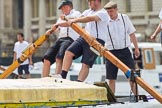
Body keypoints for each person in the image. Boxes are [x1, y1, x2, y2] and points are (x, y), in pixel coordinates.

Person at [57, 0, 109, 82]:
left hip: (96, 41)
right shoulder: (87, 11)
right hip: (85, 37)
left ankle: (79, 82)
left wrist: (74, 20)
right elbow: (75, 19)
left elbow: (90, 18)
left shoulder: (103, 13)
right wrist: (60, 24)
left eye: (90, 1)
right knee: (68, 52)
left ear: (96, 1)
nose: (88, 3)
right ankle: (63, 76)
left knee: (85, 64)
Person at [104, 1, 140, 94]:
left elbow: (131, 33)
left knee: (132, 76)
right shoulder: (104, 20)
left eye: (111, 11)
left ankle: (136, 97)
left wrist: (136, 48)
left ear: (116, 9)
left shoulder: (124, 18)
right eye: (108, 12)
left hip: (125, 51)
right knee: (111, 78)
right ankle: (112, 100)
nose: (109, 14)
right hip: (111, 52)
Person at [42, 0, 81, 77]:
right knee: (46, 58)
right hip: (60, 39)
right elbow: (58, 28)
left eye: (63, 8)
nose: (62, 10)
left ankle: (58, 77)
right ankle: (44, 79)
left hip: (70, 39)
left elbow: (69, 23)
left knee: (59, 57)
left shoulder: (77, 14)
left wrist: (59, 23)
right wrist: (51, 30)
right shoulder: (61, 17)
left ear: (68, 7)